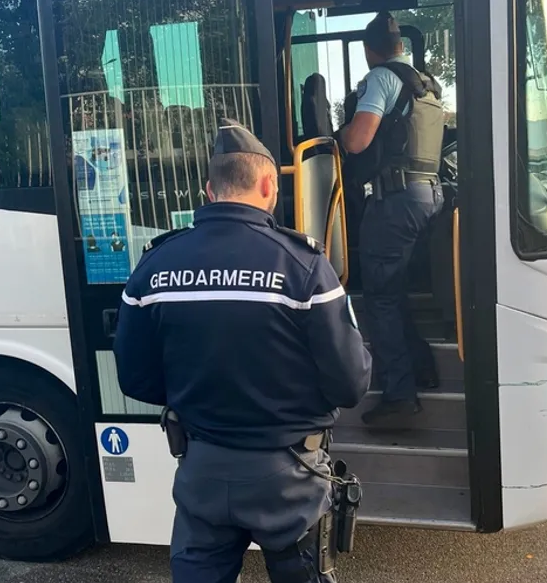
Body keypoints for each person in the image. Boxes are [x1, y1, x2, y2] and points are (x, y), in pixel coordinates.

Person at [114, 118, 372, 583]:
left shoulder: (154, 267)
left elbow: (135, 379)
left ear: (209, 190)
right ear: (270, 184)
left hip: (202, 471)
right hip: (290, 477)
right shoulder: (304, 266)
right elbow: (350, 383)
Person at [335, 11, 446, 425]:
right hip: (428, 194)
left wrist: (338, 136)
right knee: (394, 291)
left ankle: (399, 396)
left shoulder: (382, 79)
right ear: (401, 45)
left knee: (380, 296)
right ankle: (422, 368)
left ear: (370, 51)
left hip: (396, 200)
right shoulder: (427, 84)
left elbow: (360, 139)